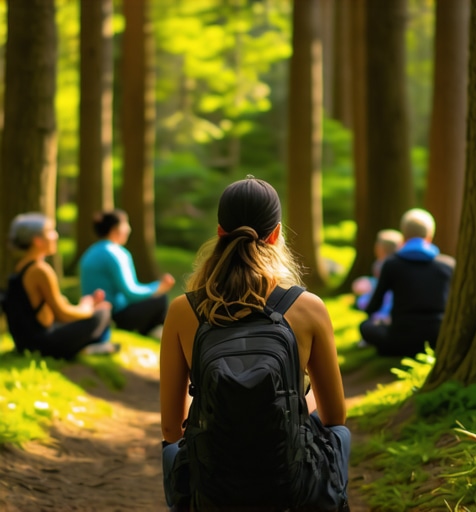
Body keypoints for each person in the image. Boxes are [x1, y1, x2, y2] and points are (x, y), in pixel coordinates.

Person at [160, 176, 350, 511]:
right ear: (276, 234)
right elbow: (335, 415)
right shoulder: (308, 307)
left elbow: (171, 428)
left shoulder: (183, 310)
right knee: (341, 435)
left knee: (172, 451)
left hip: (213, 492)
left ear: (220, 232)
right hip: (291, 489)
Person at [3, 213, 116, 359]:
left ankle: (93, 346)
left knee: (97, 313)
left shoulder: (22, 267)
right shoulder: (40, 270)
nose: (55, 235)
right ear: (37, 240)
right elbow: (62, 314)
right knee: (102, 313)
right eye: (50, 231)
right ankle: (93, 346)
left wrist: (85, 304)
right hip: (41, 345)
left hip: (26, 342)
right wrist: (90, 309)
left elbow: (57, 305)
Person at [359, 208, 455, 358]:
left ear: (403, 236)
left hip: (400, 338)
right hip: (438, 337)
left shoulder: (392, 264)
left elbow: (374, 306)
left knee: (365, 327)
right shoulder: (448, 265)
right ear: (430, 235)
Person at [79, 209, 175, 337]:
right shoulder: (116, 253)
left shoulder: (90, 251)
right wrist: (158, 288)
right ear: (116, 229)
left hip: (94, 312)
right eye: (126, 224)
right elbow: (131, 293)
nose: (129, 229)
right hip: (115, 316)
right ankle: (158, 332)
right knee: (160, 299)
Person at [352, 228, 403, 322]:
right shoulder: (400, 264)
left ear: (379, 248)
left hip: (383, 304)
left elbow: (380, 289)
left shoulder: (381, 265)